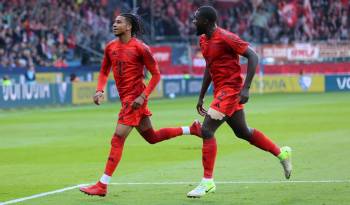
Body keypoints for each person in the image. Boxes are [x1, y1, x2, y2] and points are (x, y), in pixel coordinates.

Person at [79, 13, 201, 197]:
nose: (114, 24)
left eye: (119, 22)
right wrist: (100, 90)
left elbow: (156, 75)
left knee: (118, 138)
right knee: (152, 137)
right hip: (129, 100)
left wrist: (143, 96)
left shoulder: (141, 48)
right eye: (114, 22)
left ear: (128, 27)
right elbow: (104, 70)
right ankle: (190, 129)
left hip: (134, 100)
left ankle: (102, 184)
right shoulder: (110, 47)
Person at [187, 6, 292, 198]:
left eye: (196, 19)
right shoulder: (203, 40)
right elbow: (209, 67)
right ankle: (281, 153)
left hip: (231, 90)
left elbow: (253, 55)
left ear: (207, 21)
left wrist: (246, 87)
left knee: (207, 130)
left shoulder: (226, 37)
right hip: (221, 92)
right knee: (243, 132)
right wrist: (202, 95)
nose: (193, 22)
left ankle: (207, 182)